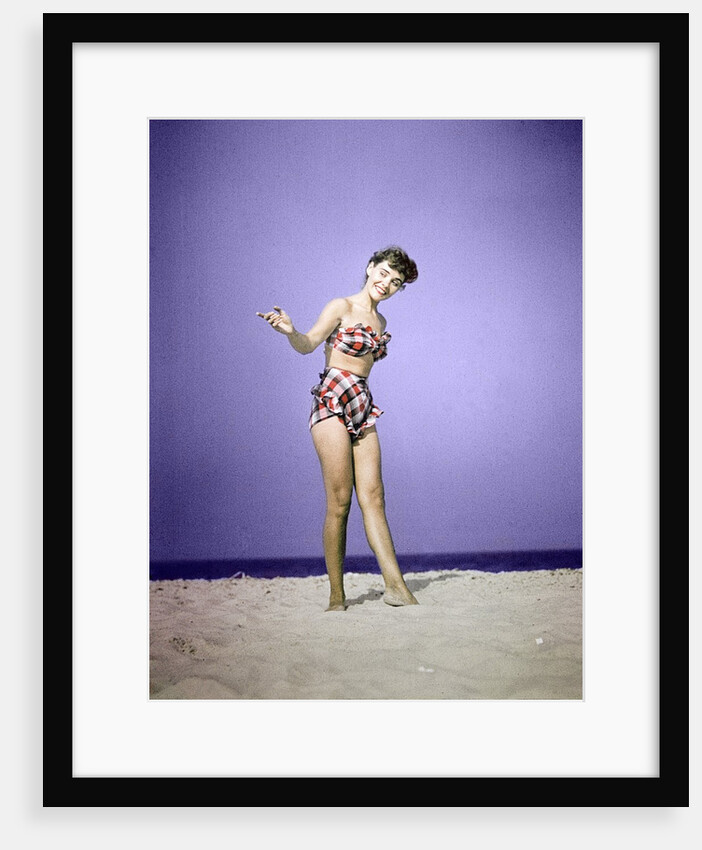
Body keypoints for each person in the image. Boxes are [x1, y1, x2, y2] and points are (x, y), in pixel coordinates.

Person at [257, 246, 419, 611]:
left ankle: (396, 588)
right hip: (332, 398)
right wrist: (289, 330)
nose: (386, 284)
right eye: (383, 274)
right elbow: (309, 344)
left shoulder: (382, 324)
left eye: (395, 283)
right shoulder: (340, 307)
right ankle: (336, 596)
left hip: (362, 401)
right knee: (340, 501)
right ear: (370, 268)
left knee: (374, 496)